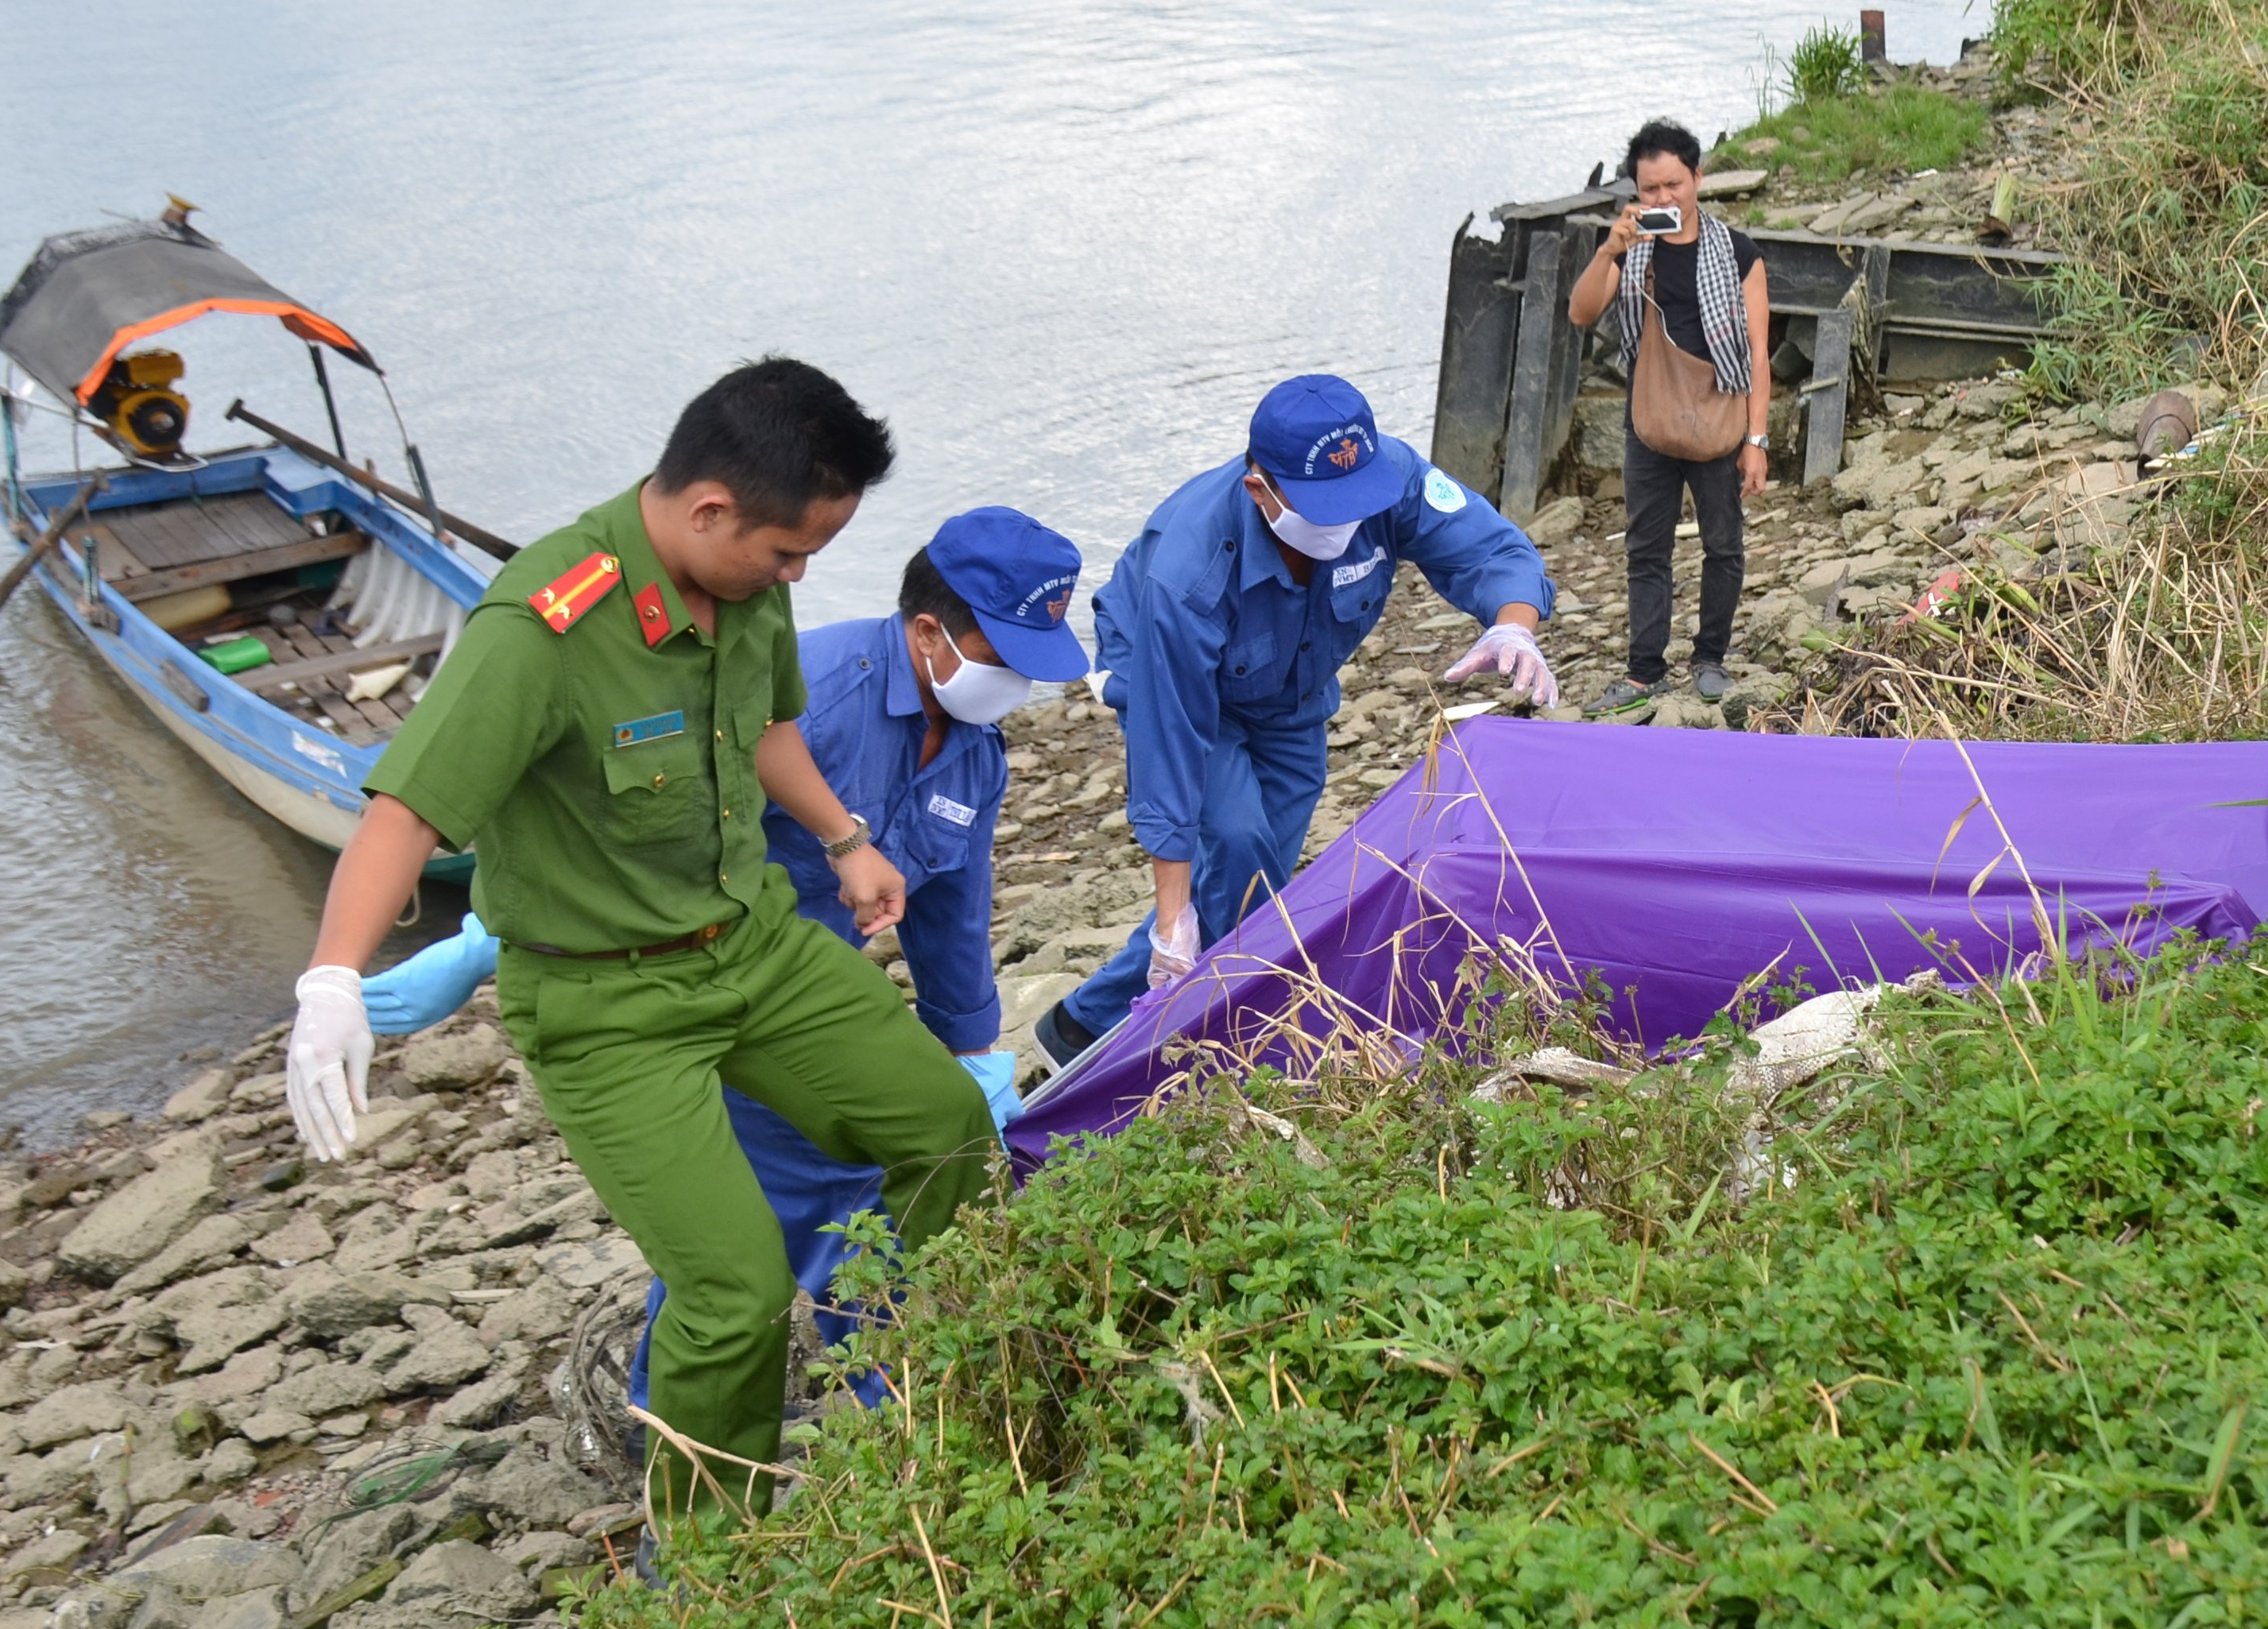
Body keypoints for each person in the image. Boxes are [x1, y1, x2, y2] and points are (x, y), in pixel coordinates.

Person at [280, 359, 1011, 1526]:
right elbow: (406, 810)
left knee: (952, 1137)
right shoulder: (543, 626)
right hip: (607, 1007)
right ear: (711, 509)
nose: (801, 580)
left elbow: (767, 728)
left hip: (758, 949)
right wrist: (332, 980)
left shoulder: (746, 580)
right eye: (787, 557)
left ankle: (900, 1389)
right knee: (734, 1289)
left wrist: (843, 838)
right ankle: (706, 1571)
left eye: (813, 557)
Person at [349, 507, 1093, 1417]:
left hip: (806, 997)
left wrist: (974, 1045)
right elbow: (627, 823)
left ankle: (685, 1408)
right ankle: (908, 1414)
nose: (1017, 683)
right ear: (930, 630)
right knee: (829, 1204)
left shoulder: (974, 752)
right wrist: (487, 938)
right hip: (695, 973)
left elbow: (950, 908)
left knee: (760, 1225)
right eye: (1006, 656)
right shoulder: (811, 697)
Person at [1035, 373, 1558, 1067]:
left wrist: (1513, 627)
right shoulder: (1187, 571)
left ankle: (1081, 1023)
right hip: (1176, 674)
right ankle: (1183, 1031)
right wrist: (1170, 914)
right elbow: (1171, 745)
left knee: (1259, 881)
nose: (1346, 524)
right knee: (1234, 839)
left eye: (1357, 503)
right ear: (1261, 489)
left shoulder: (1389, 474)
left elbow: (1491, 550)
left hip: (1293, 682)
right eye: (1323, 509)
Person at [1566, 117, 1771, 712]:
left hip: (1719, 424)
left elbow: (1760, 353)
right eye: (1650, 189)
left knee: (1724, 547)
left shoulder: (1737, 253)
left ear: (1698, 178)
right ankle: (1644, 670)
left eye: (1674, 185)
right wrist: (1612, 249)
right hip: (1650, 423)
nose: (1663, 199)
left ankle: (1710, 660)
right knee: (1646, 550)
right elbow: (1581, 314)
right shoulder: (1630, 251)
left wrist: (1756, 439)